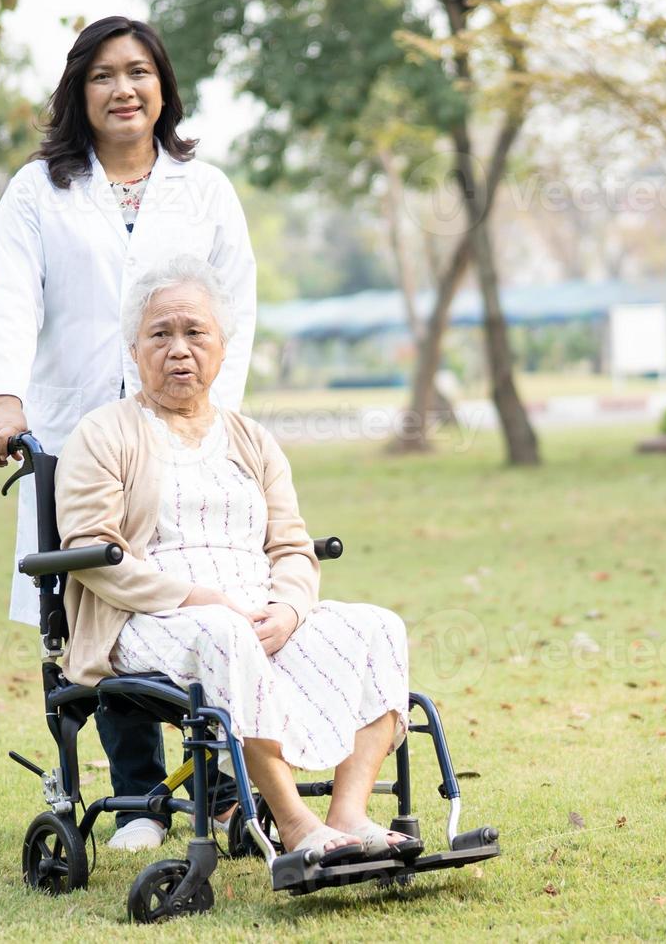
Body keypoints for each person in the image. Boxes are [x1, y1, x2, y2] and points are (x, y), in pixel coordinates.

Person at [0, 16, 254, 850]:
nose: (123, 89)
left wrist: (217, 413)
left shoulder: (205, 189)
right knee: (98, 597)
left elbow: (234, 309)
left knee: (195, 583)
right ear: (79, 92)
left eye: (138, 72)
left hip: (185, 432)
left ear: (163, 87)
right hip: (74, 433)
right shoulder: (39, 190)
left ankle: (225, 786)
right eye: (103, 75)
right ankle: (137, 799)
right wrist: (3, 402)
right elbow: (13, 301)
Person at [54, 256, 419, 862]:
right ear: (133, 348)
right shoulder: (104, 433)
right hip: (152, 620)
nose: (178, 350)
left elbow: (291, 547)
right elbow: (92, 553)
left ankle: (349, 814)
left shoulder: (252, 439)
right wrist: (200, 598)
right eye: (160, 334)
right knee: (226, 633)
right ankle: (296, 824)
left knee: (379, 625)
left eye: (195, 333)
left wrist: (290, 610)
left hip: (258, 616)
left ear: (222, 347)